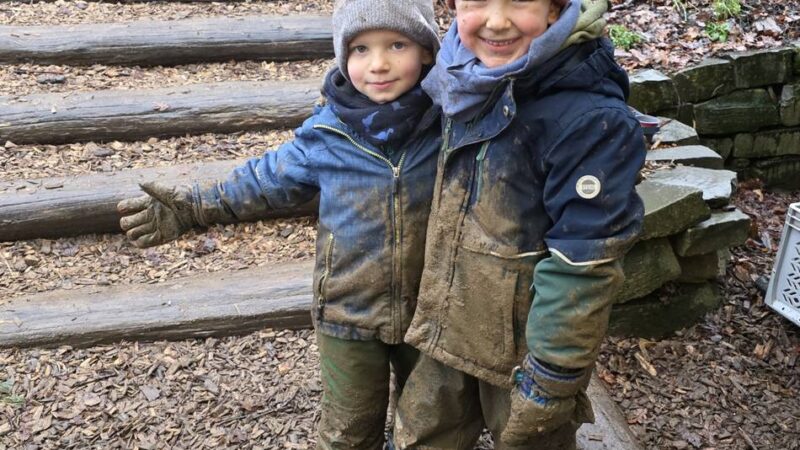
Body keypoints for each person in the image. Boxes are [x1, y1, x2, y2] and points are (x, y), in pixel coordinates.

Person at [117, 1, 441, 448]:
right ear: (343, 56)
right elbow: (263, 181)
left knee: (433, 427)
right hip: (347, 312)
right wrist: (194, 207)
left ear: (426, 51)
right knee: (349, 430)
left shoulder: (452, 123)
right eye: (361, 48)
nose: (379, 64)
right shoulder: (328, 135)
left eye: (397, 44)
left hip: (433, 315)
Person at [393, 0, 645, 449]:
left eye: (517, 1)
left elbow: (583, 267)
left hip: (524, 350)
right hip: (449, 318)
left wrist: (551, 377)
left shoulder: (590, 120)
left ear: (555, 9)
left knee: (532, 438)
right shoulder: (460, 75)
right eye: (478, 2)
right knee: (420, 431)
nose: (496, 20)